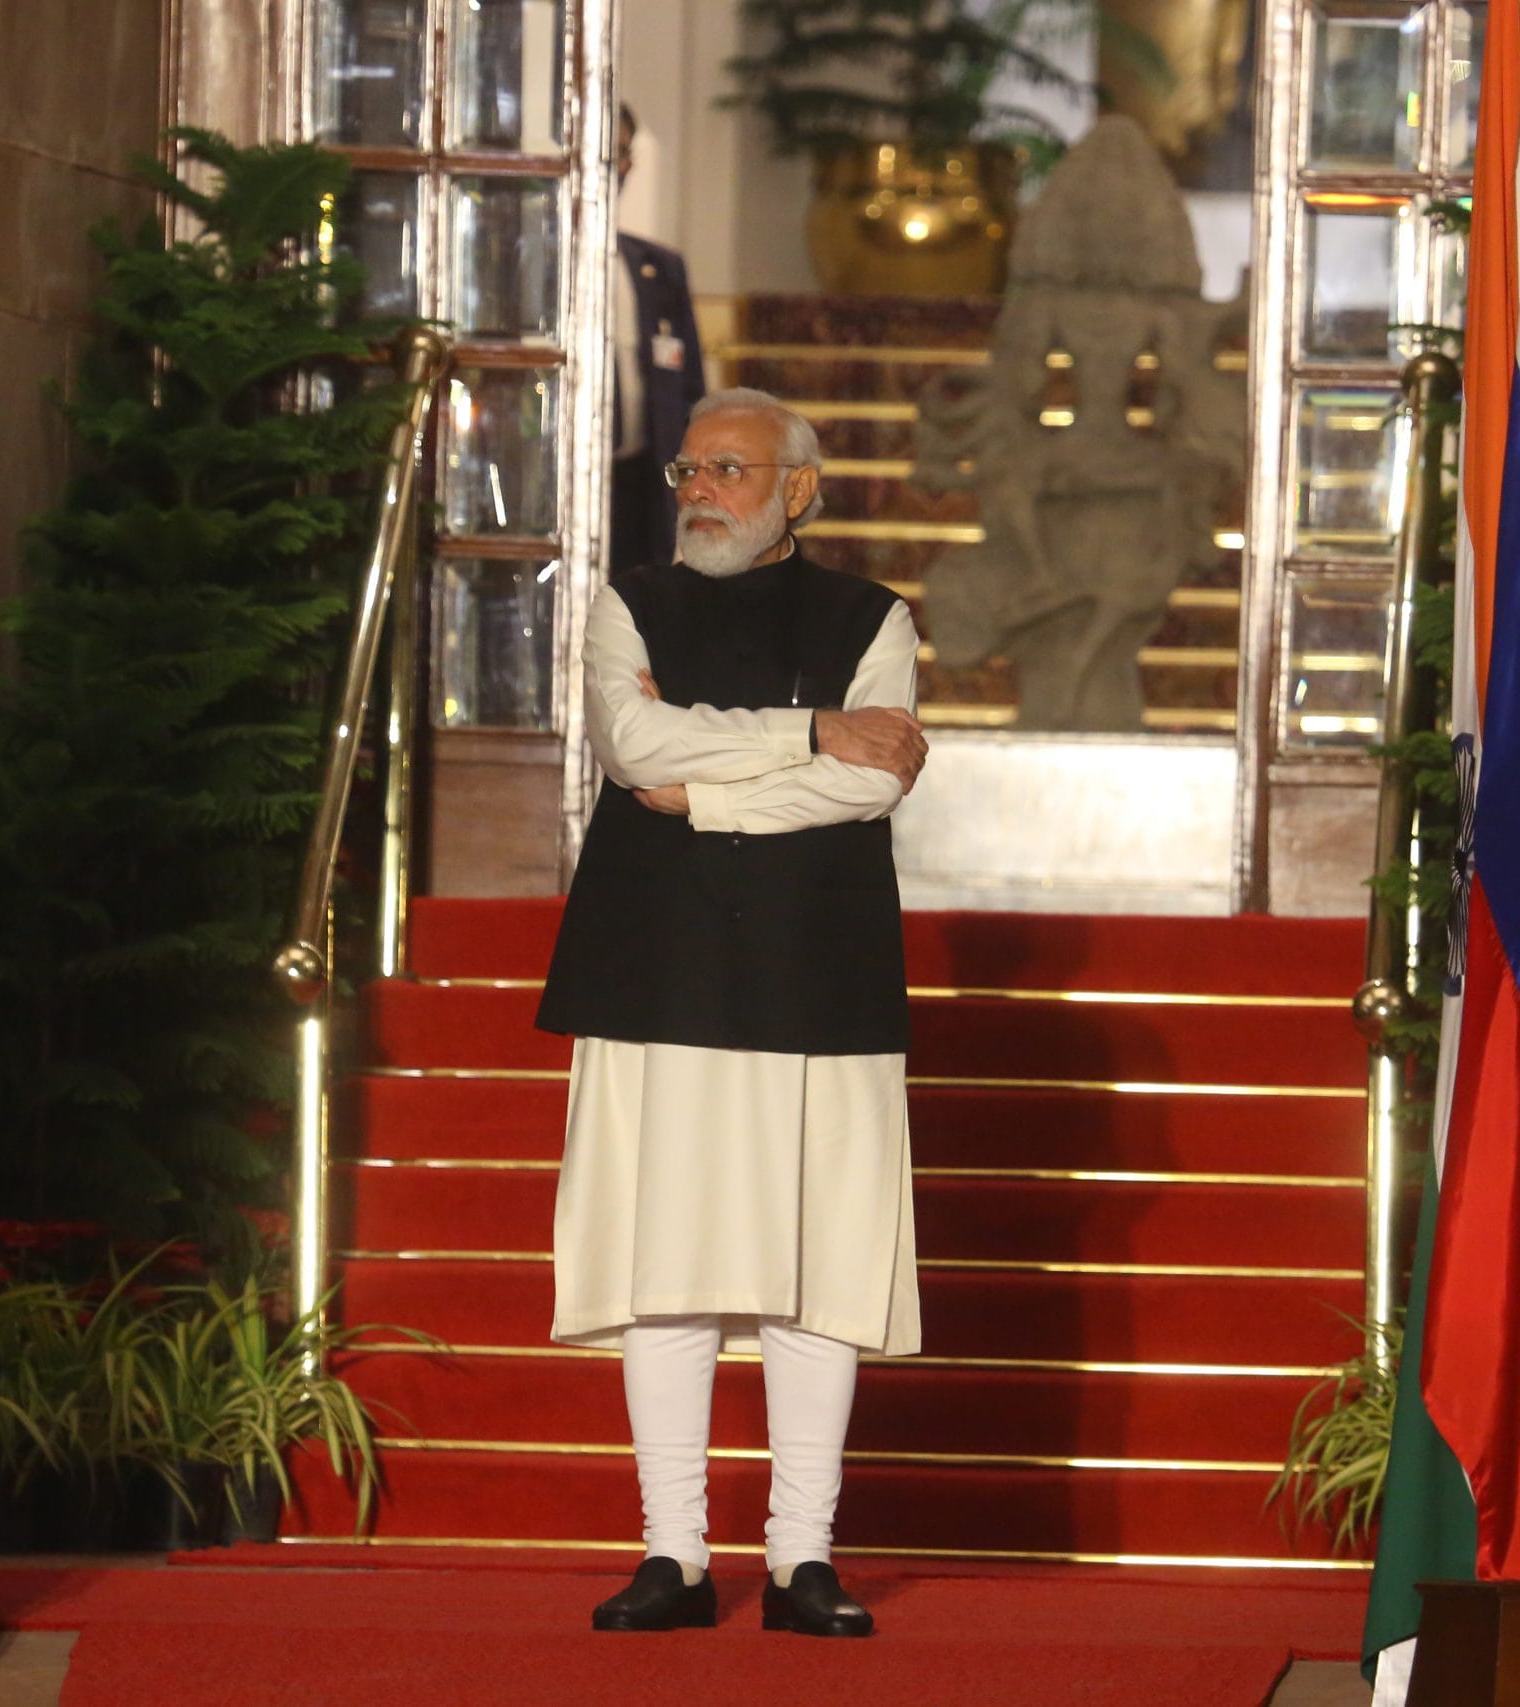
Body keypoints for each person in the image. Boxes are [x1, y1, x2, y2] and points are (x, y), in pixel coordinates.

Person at [536, 387, 931, 1637]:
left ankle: (803, 1559)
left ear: (797, 491)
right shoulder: (627, 605)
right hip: (655, 964)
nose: (700, 489)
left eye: (730, 469)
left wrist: (710, 801)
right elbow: (635, 742)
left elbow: (864, 794)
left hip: (818, 966)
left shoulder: (876, 619)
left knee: (812, 1270)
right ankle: (675, 1555)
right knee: (670, 1267)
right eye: (688, 470)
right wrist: (808, 731)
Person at [610, 104, 707, 575]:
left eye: (624, 152)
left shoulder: (659, 267)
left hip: (644, 483)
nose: (617, 164)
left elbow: (690, 389)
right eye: (607, 150)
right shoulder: (539, 257)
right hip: (560, 478)